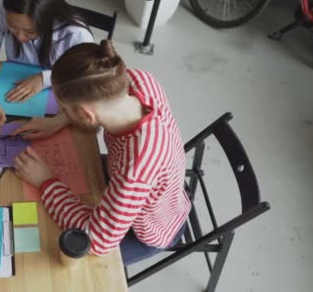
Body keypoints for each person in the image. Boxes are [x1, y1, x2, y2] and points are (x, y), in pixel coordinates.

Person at [12, 40, 190, 259]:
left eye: (64, 108)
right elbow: (93, 100)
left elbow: (95, 241)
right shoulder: (136, 80)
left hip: (152, 229)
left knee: (70, 261)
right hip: (139, 181)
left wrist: (45, 182)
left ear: (87, 115)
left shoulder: (137, 167)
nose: (61, 111)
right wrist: (59, 121)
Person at [0, 0, 94, 132]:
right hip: (13, 83)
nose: (20, 37)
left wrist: (45, 79)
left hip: (61, 99)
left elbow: (86, 79)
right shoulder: (0, 7)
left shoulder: (76, 35)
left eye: (30, 31)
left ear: (48, 20)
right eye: (12, 27)